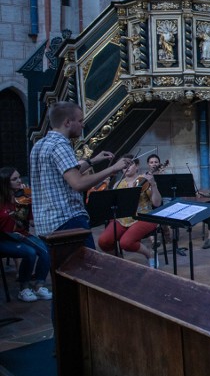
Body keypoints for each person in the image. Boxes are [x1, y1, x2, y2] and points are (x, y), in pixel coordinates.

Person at [30, 101, 131, 248]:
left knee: (61, 269)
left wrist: (93, 161)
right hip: (67, 221)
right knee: (86, 269)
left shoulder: (40, 145)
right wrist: (113, 168)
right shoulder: (61, 145)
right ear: (67, 122)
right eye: (80, 121)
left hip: (46, 223)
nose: (83, 125)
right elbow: (78, 184)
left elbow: (63, 174)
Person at [97, 156, 161, 267]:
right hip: (123, 219)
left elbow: (157, 203)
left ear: (137, 166)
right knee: (103, 241)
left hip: (143, 217)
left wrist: (153, 184)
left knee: (126, 243)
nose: (126, 168)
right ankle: (120, 260)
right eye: (124, 165)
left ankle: (150, 254)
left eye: (130, 164)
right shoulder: (118, 184)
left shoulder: (145, 180)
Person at [0, 167, 52, 301]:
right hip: (4, 238)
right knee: (30, 252)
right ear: (5, 182)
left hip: (22, 234)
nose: (19, 181)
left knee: (46, 250)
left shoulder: (24, 196)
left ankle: (39, 285)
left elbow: (32, 222)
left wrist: (32, 201)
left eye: (19, 177)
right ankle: (24, 288)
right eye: (14, 179)